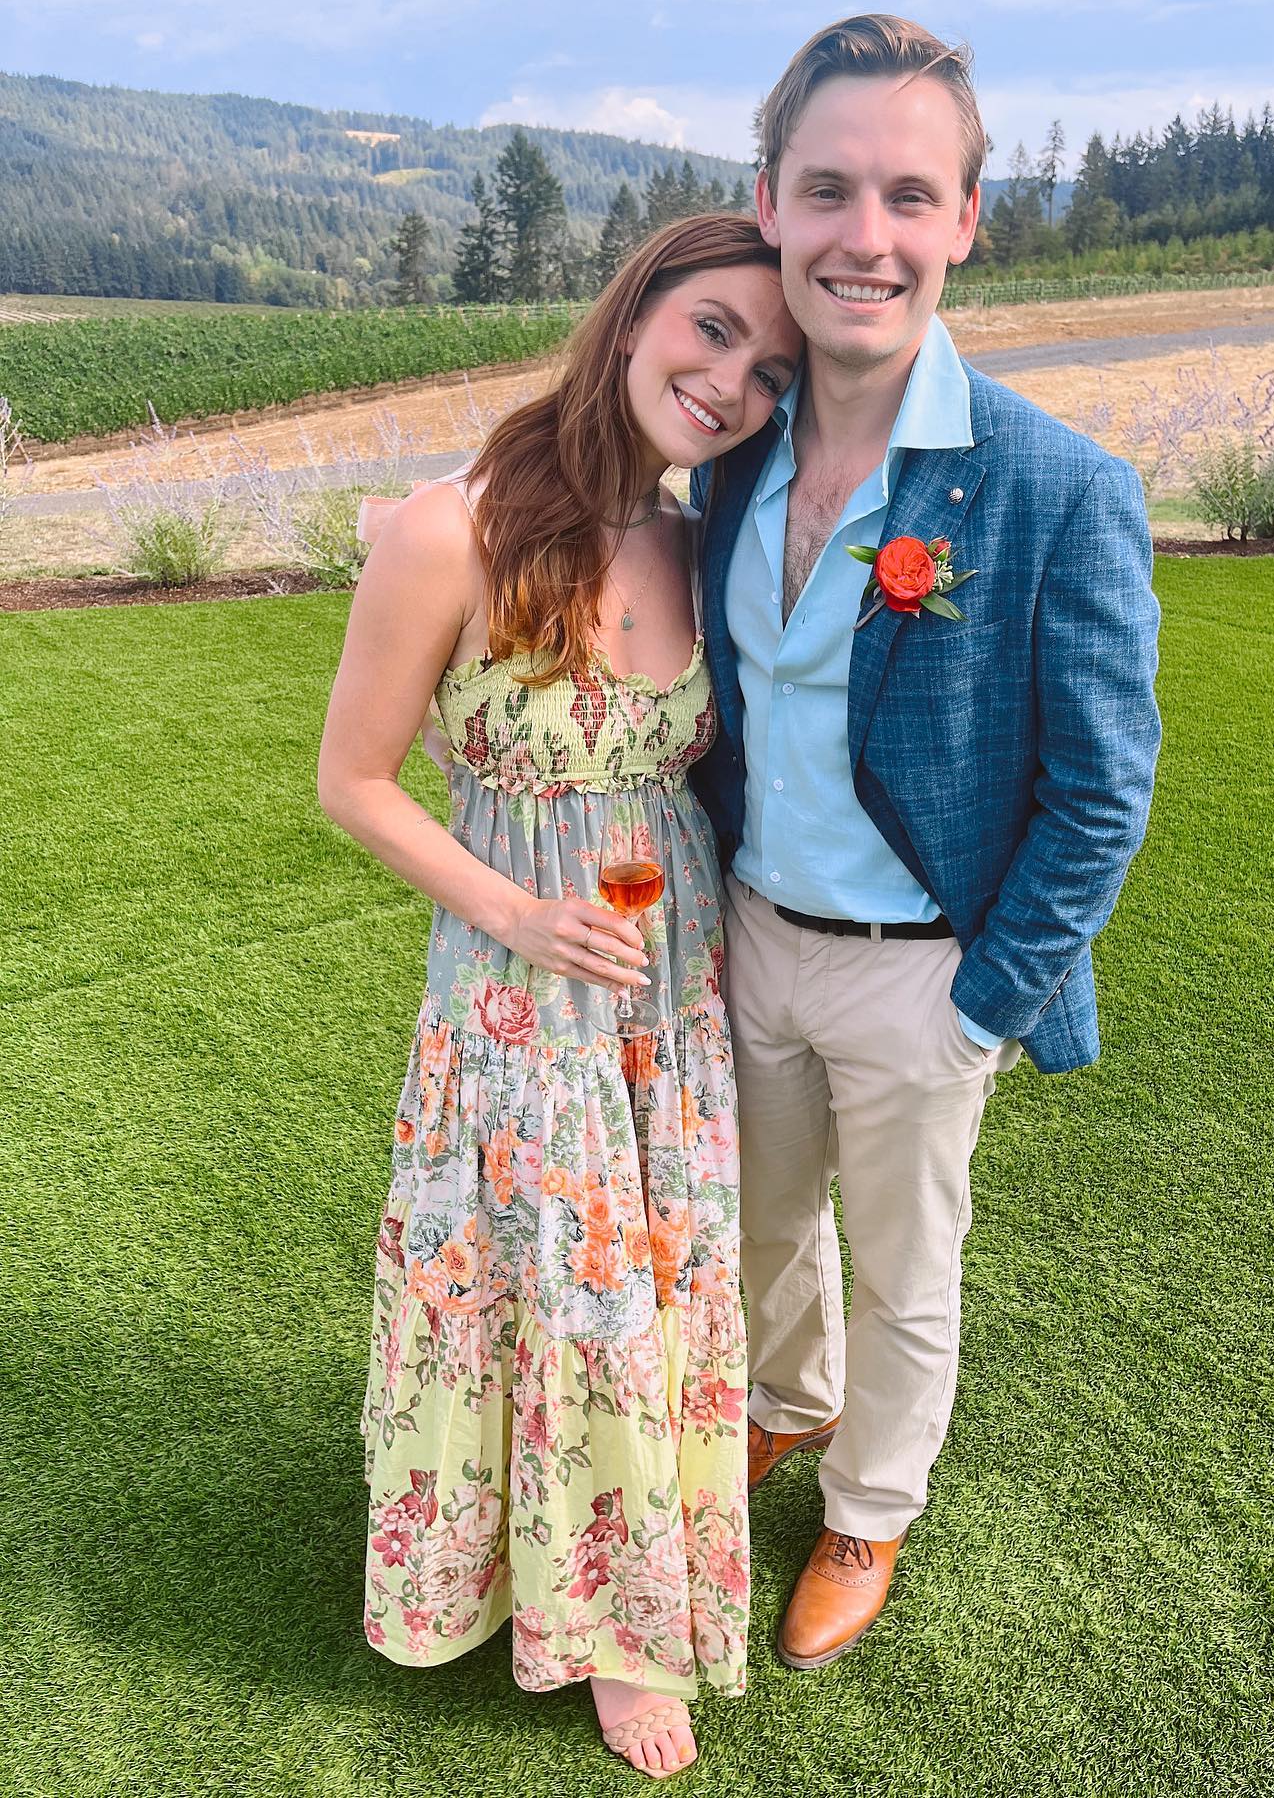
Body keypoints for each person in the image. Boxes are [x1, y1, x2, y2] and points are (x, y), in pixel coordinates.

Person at [689, 14, 1163, 1670]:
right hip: (752, 936)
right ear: (770, 202)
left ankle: (870, 1510)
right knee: (761, 1231)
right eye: (828, 189)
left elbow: (1102, 791)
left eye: (908, 194)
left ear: (967, 218)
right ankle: (785, 1404)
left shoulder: (1056, 486)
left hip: (925, 972)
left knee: (904, 1268)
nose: (864, 236)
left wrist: (984, 1005)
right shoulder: (730, 453)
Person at [317, 213, 802, 1779]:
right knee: (543, 1283)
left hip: (672, 992)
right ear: (636, 309)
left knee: (648, 1287)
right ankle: (537, 1600)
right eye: (714, 328)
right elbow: (353, 781)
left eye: (770, 370)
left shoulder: (702, 541)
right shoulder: (448, 531)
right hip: (520, 994)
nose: (730, 381)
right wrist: (519, 912)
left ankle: (627, 1616)